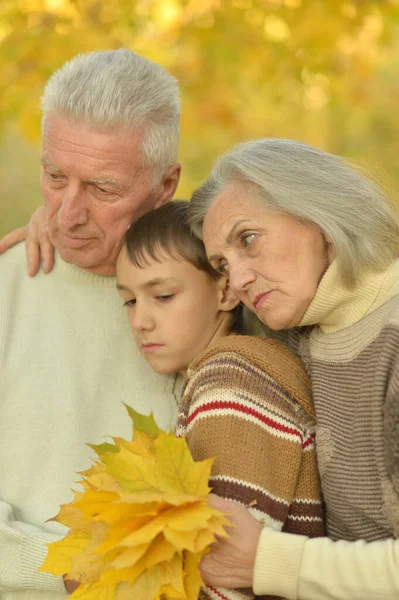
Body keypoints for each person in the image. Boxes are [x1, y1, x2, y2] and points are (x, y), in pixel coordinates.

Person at [0, 49, 182, 599]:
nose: (66, 214)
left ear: (166, 185)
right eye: (55, 176)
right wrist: (70, 566)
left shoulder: (219, 294)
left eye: (103, 189)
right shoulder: (8, 284)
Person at [186, 138, 399, 600]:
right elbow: (164, 282)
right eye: (222, 263)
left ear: (319, 212)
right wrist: (60, 232)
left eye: (248, 239)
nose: (237, 279)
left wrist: (265, 560)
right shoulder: (300, 331)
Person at [115, 200, 324, 600]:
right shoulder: (234, 373)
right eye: (129, 300)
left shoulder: (232, 382)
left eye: (162, 296)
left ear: (225, 290)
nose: (140, 320)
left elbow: (223, 573)